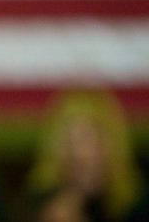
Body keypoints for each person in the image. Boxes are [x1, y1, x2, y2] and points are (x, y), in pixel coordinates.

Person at [25, 90, 148, 222]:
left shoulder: (136, 204)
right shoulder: (42, 203)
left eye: (89, 139)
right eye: (70, 142)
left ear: (112, 146)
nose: (79, 154)